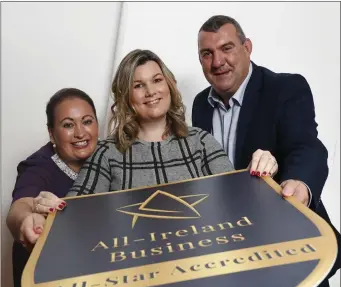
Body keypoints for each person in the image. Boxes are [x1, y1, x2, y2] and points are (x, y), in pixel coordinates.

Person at [191, 15, 340, 287]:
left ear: (247, 47)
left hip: (288, 247)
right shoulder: (199, 105)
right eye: (207, 54)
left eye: (227, 48)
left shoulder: (285, 88)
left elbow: (306, 146)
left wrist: (299, 184)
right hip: (229, 255)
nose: (217, 61)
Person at [67, 49, 278, 198]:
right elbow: (76, 214)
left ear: (169, 85)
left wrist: (259, 170)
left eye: (157, 80)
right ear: (125, 97)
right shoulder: (107, 153)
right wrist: (44, 207)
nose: (151, 92)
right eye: (139, 85)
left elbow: (237, 196)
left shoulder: (201, 142)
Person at [6, 88, 99, 287]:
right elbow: (21, 205)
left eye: (87, 121)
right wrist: (26, 221)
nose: (80, 133)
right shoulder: (38, 166)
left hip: (90, 279)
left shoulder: (106, 156)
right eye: (68, 125)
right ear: (51, 133)